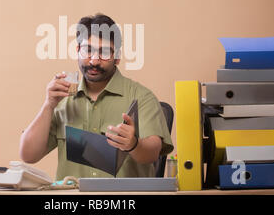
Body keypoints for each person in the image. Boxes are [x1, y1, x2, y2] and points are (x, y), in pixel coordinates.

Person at [19, 13, 173, 179]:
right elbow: (28, 155)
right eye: (88, 50)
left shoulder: (141, 97)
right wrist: (48, 105)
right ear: (78, 51)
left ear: (117, 57)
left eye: (104, 52)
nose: (94, 61)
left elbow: (153, 153)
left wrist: (133, 144)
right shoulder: (62, 99)